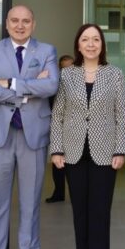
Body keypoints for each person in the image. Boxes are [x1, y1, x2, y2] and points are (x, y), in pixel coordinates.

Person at [0, 5, 59, 249]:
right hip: (0, 135)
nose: (20, 25)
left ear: (33, 24)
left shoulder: (46, 51)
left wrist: (11, 83)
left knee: (30, 202)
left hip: (33, 137)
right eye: (15, 20)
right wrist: (26, 91)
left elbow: (51, 86)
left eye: (26, 21)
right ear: (6, 23)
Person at [49, 24, 125, 249]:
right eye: (86, 39)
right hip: (72, 152)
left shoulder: (114, 75)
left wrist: (121, 150)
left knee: (100, 212)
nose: (91, 44)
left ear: (102, 44)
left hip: (105, 153)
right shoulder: (66, 75)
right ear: (78, 44)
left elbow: (121, 115)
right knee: (79, 212)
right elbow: (57, 114)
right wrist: (56, 149)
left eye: (96, 39)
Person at [45, 54, 75, 203]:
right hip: (58, 128)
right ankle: (59, 192)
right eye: (64, 68)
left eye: (70, 67)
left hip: (74, 129)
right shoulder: (54, 85)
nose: (67, 71)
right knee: (58, 161)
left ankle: (76, 194)